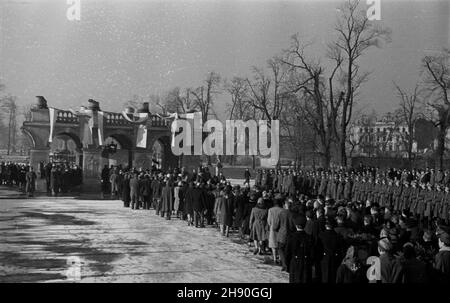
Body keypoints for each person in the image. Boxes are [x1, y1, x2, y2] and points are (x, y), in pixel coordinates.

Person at [284, 215, 313, 283]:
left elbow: (287, 253)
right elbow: (312, 254)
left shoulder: (291, 237)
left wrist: (288, 265)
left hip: (295, 263)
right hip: (306, 263)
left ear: (296, 225)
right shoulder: (309, 238)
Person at [267, 194, 284, 264]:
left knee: (273, 245)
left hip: (273, 228)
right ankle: (280, 258)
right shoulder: (282, 210)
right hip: (280, 229)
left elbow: (269, 220)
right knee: (279, 244)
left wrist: (271, 225)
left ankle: (274, 258)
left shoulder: (270, 210)